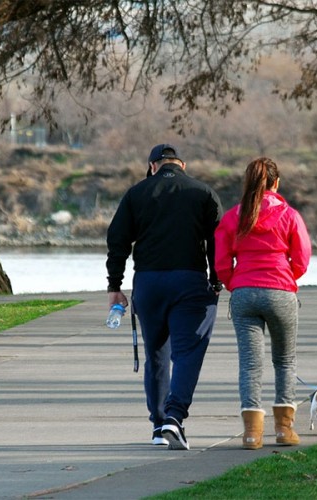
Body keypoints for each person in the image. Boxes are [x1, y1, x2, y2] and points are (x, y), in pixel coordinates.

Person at [106, 143, 224, 450]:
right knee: (186, 352)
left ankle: (159, 426)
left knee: (155, 355)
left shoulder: (136, 193)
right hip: (190, 280)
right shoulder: (203, 193)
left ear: (152, 167)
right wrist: (216, 280)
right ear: (182, 166)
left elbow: (117, 240)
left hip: (148, 282)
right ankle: (174, 417)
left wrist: (114, 286)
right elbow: (218, 240)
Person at [214, 157, 312, 450]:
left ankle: (252, 434)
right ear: (276, 183)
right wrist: (287, 278)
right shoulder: (290, 215)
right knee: (284, 360)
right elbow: (302, 258)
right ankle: (283, 430)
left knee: (249, 365)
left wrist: (236, 282)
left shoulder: (233, 216)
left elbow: (221, 262)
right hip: (280, 290)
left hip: (244, 292)